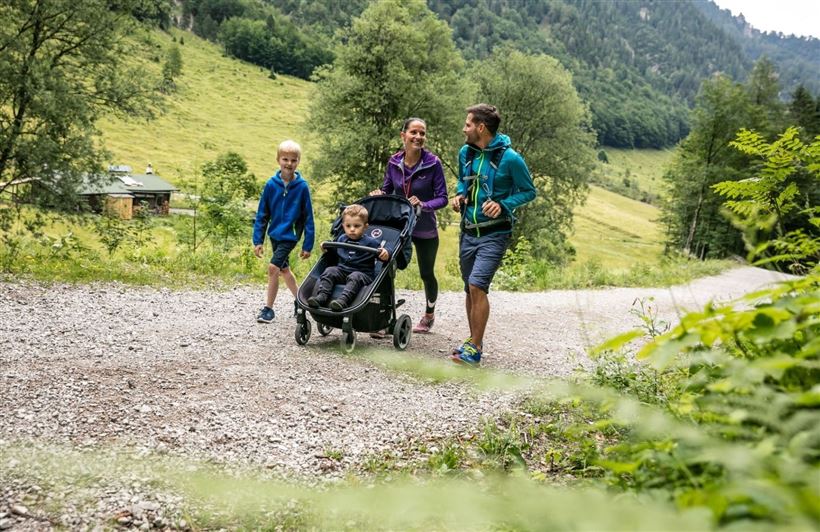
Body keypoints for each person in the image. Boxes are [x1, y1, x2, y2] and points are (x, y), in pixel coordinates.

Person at [450, 104, 536, 366]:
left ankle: (474, 348)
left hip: (494, 233)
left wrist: (504, 204)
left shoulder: (511, 159)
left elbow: (528, 191)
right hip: (468, 231)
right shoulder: (466, 152)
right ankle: (474, 340)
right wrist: (459, 194)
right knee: (469, 289)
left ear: (480, 127)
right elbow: (463, 181)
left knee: (478, 285)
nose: (464, 128)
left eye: (467, 124)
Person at [370, 117, 447, 334]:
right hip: (398, 226)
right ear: (403, 135)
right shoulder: (394, 161)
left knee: (426, 273)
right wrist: (379, 194)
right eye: (414, 132)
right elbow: (387, 189)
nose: (418, 137)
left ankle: (429, 314)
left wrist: (423, 204)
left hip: (424, 228)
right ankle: (384, 318)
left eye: (422, 133)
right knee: (385, 267)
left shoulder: (433, 163)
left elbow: (443, 198)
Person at [252, 140, 315, 323]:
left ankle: (268, 310)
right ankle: (300, 301)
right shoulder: (271, 185)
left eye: (293, 160)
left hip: (290, 236)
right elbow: (262, 214)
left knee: (273, 268)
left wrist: (307, 244)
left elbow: (308, 218)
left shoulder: (302, 187)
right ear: (278, 159)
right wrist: (258, 240)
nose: (289, 163)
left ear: (298, 162)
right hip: (274, 234)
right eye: (285, 159)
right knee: (284, 270)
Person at [307, 204, 389, 311]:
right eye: (348, 226)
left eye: (356, 226)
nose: (352, 229)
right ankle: (322, 297)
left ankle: (342, 301)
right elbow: (335, 251)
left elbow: (382, 253)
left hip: (363, 274)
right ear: (343, 225)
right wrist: (327, 246)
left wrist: (386, 252)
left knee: (355, 276)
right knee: (330, 270)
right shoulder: (342, 239)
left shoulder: (370, 242)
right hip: (342, 271)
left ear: (365, 227)